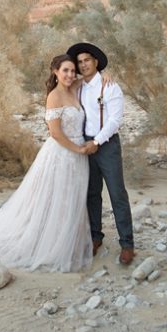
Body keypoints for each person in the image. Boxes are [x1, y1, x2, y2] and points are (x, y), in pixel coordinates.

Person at [0, 54, 94, 272]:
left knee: (70, 198)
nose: (71, 74)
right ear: (55, 71)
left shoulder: (74, 88)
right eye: (66, 71)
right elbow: (55, 133)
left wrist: (104, 75)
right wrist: (79, 149)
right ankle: (46, 243)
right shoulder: (55, 96)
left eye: (73, 71)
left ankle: (66, 240)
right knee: (54, 198)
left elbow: (92, 77)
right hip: (62, 154)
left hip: (78, 158)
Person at [67, 42, 135, 265]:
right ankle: (96, 237)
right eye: (80, 62)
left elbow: (115, 120)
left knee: (117, 194)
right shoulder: (77, 86)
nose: (83, 64)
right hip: (84, 146)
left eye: (87, 60)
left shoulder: (110, 86)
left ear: (96, 62)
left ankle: (127, 244)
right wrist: (88, 143)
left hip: (106, 145)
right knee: (91, 194)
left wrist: (97, 141)